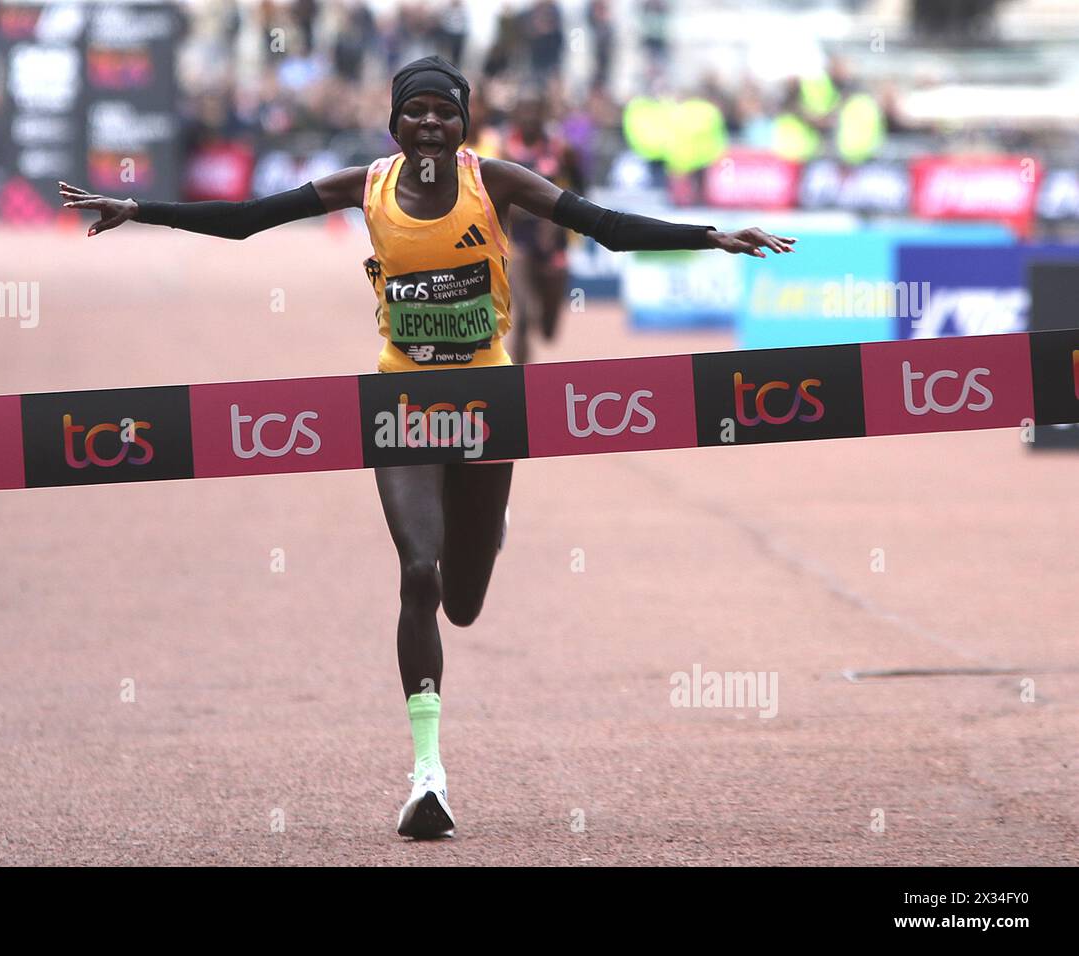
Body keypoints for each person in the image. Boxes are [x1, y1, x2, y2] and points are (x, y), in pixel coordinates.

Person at [58, 54, 795, 841]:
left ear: (463, 122)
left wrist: (710, 236)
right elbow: (248, 218)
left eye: (445, 112)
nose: (432, 124)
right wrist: (141, 208)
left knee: (466, 601)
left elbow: (602, 228)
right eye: (416, 113)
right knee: (418, 573)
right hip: (401, 400)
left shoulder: (497, 182)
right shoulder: (364, 186)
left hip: (487, 401)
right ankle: (427, 775)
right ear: (395, 124)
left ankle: (488, 528)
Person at [499, 86, 587, 365]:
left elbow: (581, 192)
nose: (528, 116)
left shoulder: (561, 150)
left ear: (544, 113)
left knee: (548, 331)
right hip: (519, 245)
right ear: (514, 114)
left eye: (534, 109)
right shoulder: (504, 151)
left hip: (553, 246)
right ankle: (518, 388)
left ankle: (548, 317)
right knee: (523, 318)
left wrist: (561, 221)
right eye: (522, 110)